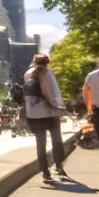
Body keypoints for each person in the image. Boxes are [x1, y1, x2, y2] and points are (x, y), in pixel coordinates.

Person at [23, 53, 69, 183]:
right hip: (50, 114)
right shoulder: (48, 73)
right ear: (47, 62)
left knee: (40, 144)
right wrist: (60, 107)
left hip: (34, 114)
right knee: (57, 141)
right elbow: (51, 93)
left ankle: (45, 173)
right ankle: (59, 167)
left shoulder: (27, 74)